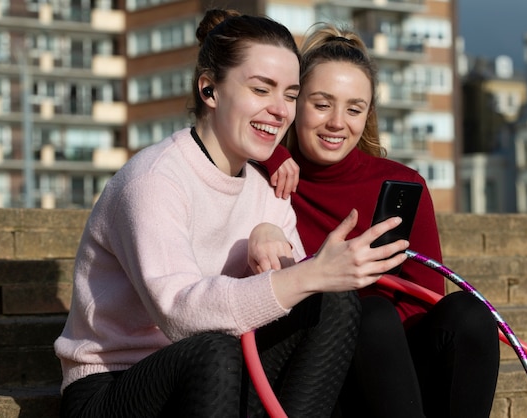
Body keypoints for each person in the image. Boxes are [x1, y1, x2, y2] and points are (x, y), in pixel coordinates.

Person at [54, 10, 410, 418]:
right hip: (115, 387)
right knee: (215, 350)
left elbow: (289, 298)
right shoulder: (154, 179)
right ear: (210, 90)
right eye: (262, 89)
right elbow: (180, 315)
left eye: (291, 95)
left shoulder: (271, 189)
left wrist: (280, 253)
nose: (280, 111)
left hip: (217, 376)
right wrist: (307, 273)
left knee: (334, 304)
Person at [261, 23, 500, 417]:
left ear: (367, 114)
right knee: (369, 313)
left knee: (468, 314)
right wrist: (272, 155)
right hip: (316, 372)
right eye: (322, 104)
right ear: (295, 103)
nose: (338, 122)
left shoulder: (403, 185)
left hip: (397, 371)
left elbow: (426, 302)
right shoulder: (268, 180)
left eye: (353, 109)